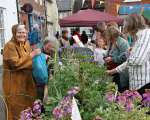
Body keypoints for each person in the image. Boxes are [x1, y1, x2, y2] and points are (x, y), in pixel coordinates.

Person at [3, 24, 41, 119]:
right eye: (19, 32)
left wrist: (43, 57)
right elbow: (15, 64)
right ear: (14, 33)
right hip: (14, 83)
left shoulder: (26, 44)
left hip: (26, 81)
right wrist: (31, 55)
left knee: (28, 104)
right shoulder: (9, 46)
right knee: (16, 108)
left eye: (24, 32)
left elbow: (30, 60)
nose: (22, 35)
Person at [107, 14, 150, 94]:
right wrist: (113, 71)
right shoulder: (138, 38)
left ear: (131, 25)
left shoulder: (146, 35)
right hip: (137, 84)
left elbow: (138, 60)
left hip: (144, 84)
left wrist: (129, 55)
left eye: (125, 25)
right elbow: (132, 60)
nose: (124, 28)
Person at [104, 26, 130, 92]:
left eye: (107, 35)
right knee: (112, 90)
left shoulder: (122, 43)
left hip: (120, 73)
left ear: (111, 35)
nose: (106, 36)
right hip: (112, 71)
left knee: (120, 91)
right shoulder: (111, 42)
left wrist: (112, 59)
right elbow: (110, 53)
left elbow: (125, 57)